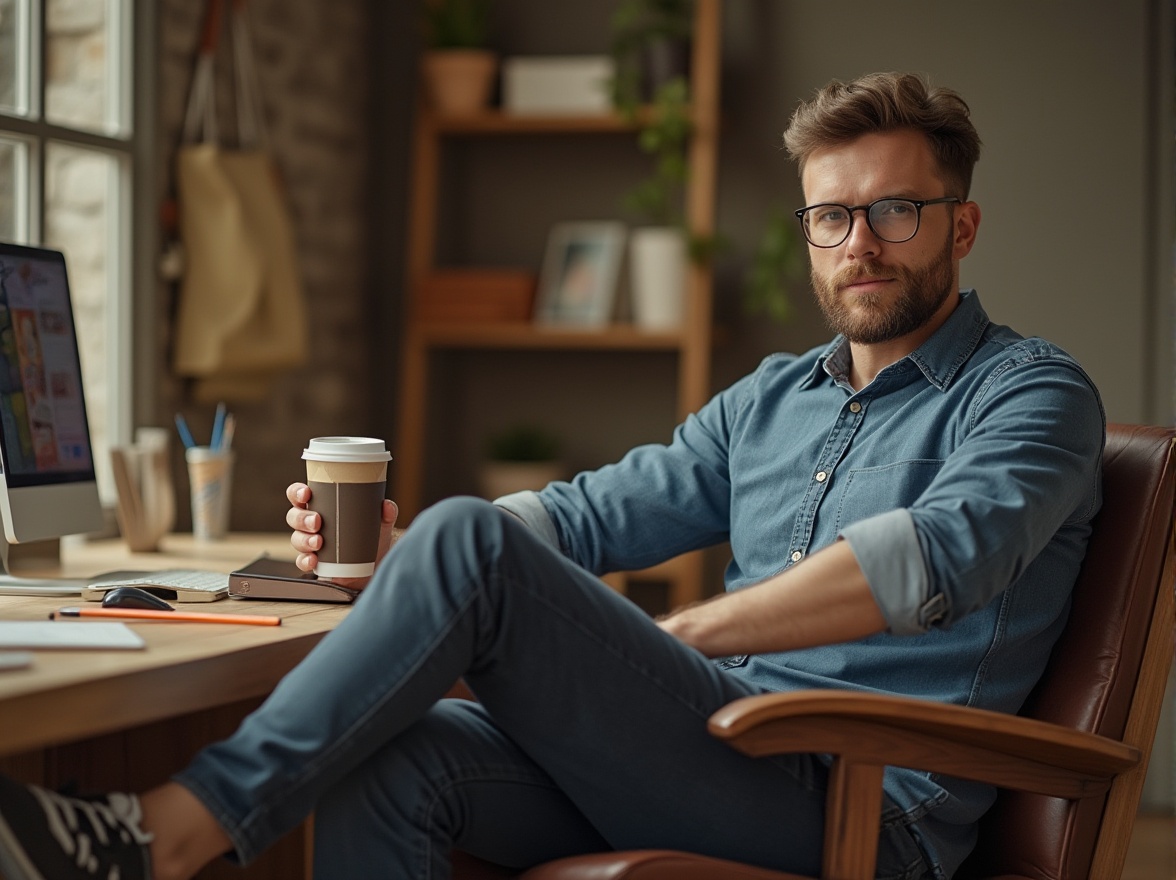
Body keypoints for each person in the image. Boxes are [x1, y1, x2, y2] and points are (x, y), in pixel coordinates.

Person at [0, 71, 1104, 880]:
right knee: (401, 750)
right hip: (715, 754)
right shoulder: (772, 397)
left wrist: (691, 633)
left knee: (473, 541)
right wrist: (408, 566)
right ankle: (169, 832)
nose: (860, 242)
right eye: (830, 215)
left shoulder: (1032, 393)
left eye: (895, 211)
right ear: (808, 233)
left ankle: (166, 834)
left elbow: (936, 558)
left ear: (961, 226)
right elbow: (587, 515)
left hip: (864, 810)